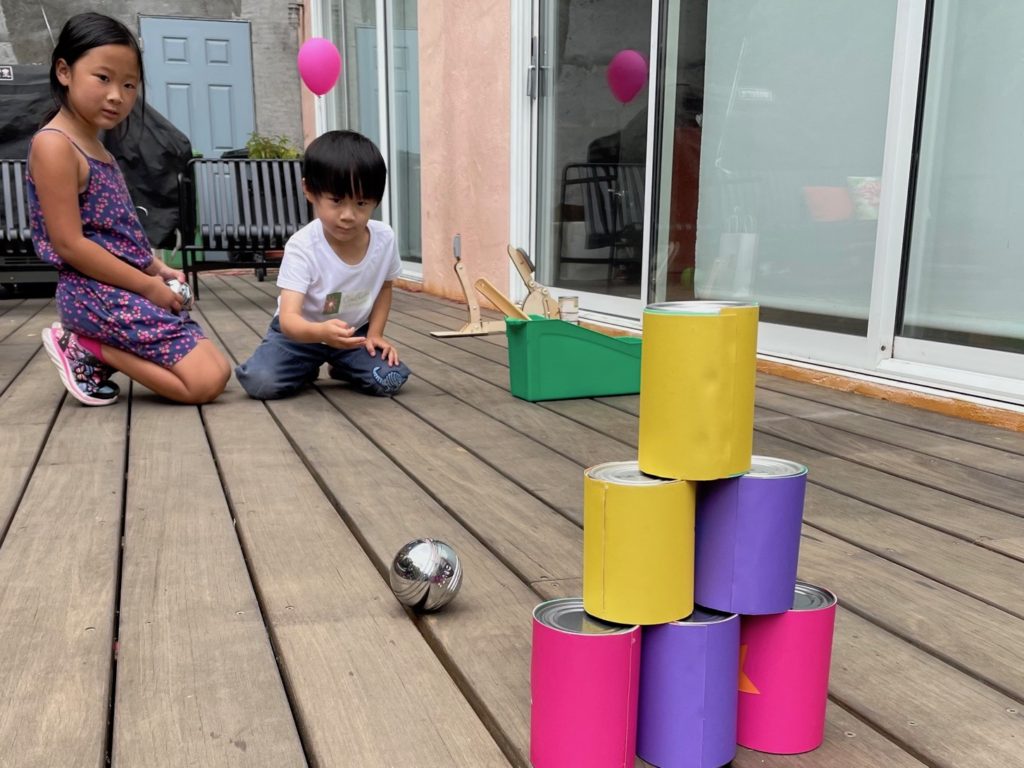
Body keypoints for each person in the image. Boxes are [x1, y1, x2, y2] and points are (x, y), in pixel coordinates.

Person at [29, 12, 231, 406]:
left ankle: (95, 348)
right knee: (205, 382)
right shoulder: (54, 145)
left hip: (123, 286)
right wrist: (148, 287)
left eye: (129, 85)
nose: (116, 95)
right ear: (64, 71)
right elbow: (70, 245)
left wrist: (157, 268)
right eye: (102, 78)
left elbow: (113, 232)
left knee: (218, 370)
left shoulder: (100, 149)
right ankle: (85, 345)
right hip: (94, 293)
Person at [234, 130, 410, 400]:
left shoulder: (384, 239)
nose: (348, 216)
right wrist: (321, 333)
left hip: (352, 335)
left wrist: (375, 333)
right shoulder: (303, 246)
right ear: (309, 190)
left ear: (376, 200)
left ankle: (345, 366)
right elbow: (289, 318)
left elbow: (385, 288)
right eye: (336, 201)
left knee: (390, 379)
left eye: (362, 203)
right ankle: (305, 366)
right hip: (300, 336)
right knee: (260, 382)